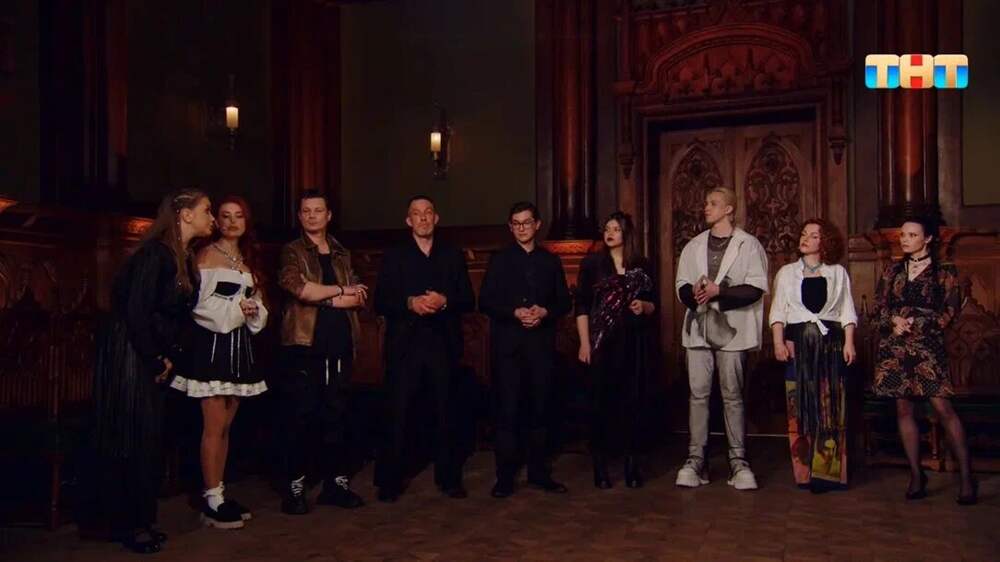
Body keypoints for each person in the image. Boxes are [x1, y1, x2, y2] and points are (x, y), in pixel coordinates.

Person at [89, 189, 214, 553]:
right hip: (129, 355)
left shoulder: (182, 257)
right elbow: (136, 313)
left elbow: (175, 317)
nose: (212, 217)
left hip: (149, 353)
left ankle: (141, 520)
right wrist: (156, 358)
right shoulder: (154, 255)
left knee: (149, 439)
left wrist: (167, 356)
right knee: (132, 437)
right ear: (185, 215)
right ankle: (128, 524)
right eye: (206, 210)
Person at [169, 195, 268, 528]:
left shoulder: (248, 259)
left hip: (239, 350)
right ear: (217, 221)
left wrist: (253, 310)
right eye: (225, 215)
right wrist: (236, 310)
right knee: (213, 426)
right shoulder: (206, 255)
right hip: (212, 347)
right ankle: (211, 499)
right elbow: (198, 306)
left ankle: (218, 493)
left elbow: (257, 303)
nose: (231, 221)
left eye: (238, 216)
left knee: (225, 426)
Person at [373, 195, 474, 502]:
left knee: (446, 412)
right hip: (405, 346)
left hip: (443, 345)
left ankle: (449, 479)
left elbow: (468, 299)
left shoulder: (452, 254)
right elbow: (381, 301)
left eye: (428, 212)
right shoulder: (394, 256)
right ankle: (390, 481)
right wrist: (410, 303)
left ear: (436, 218)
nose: (423, 218)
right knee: (398, 413)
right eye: (417, 214)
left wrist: (445, 301)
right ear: (409, 221)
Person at [276, 189, 369, 515]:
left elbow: (359, 297)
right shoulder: (292, 251)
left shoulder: (342, 252)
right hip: (305, 345)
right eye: (306, 211)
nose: (312, 216)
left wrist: (324, 296)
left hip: (340, 342)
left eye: (318, 210)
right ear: (299, 216)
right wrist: (340, 291)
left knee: (337, 414)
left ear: (329, 215)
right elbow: (300, 289)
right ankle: (295, 488)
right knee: (302, 416)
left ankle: (335, 486)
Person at [873, 216, 976, 505]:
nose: (905, 240)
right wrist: (892, 321)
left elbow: (949, 312)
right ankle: (917, 475)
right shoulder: (892, 270)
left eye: (912, 235)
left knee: (943, 408)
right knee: (903, 409)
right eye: (903, 235)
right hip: (895, 347)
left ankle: (966, 477)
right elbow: (878, 308)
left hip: (927, 346)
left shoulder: (944, 270)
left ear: (928, 238)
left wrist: (917, 323)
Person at [674, 187, 767, 491]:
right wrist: (694, 293)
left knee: (733, 395)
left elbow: (755, 288)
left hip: (732, 331)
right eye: (706, 203)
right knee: (698, 394)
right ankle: (695, 460)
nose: (706, 207)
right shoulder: (694, 246)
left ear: (729, 209)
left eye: (713, 203)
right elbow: (681, 285)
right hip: (698, 328)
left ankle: (738, 462)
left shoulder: (748, 245)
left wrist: (720, 292)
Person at [479, 201, 572, 498]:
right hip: (508, 348)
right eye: (516, 223)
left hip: (541, 347)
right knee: (507, 411)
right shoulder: (499, 260)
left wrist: (544, 312)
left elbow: (564, 302)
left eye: (527, 222)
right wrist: (515, 312)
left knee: (540, 409)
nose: (522, 228)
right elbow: (486, 301)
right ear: (511, 227)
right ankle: (505, 477)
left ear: (537, 225)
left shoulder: (550, 261)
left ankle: (539, 473)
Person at [769, 219, 857, 492]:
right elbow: (778, 311)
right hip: (798, 345)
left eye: (814, 235)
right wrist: (778, 342)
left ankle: (828, 473)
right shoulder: (787, 273)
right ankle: (804, 474)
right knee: (799, 404)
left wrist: (849, 343)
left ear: (825, 241)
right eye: (804, 233)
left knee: (830, 404)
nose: (805, 238)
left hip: (830, 346)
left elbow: (847, 311)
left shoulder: (838, 272)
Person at [575, 211, 656, 489]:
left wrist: (643, 306)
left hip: (633, 343)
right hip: (602, 342)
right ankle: (600, 467)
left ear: (626, 233)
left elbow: (654, 304)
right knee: (600, 403)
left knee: (632, 403)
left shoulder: (641, 265)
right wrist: (584, 343)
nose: (609, 233)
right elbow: (582, 305)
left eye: (616, 229)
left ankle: (632, 466)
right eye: (607, 228)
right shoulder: (592, 263)